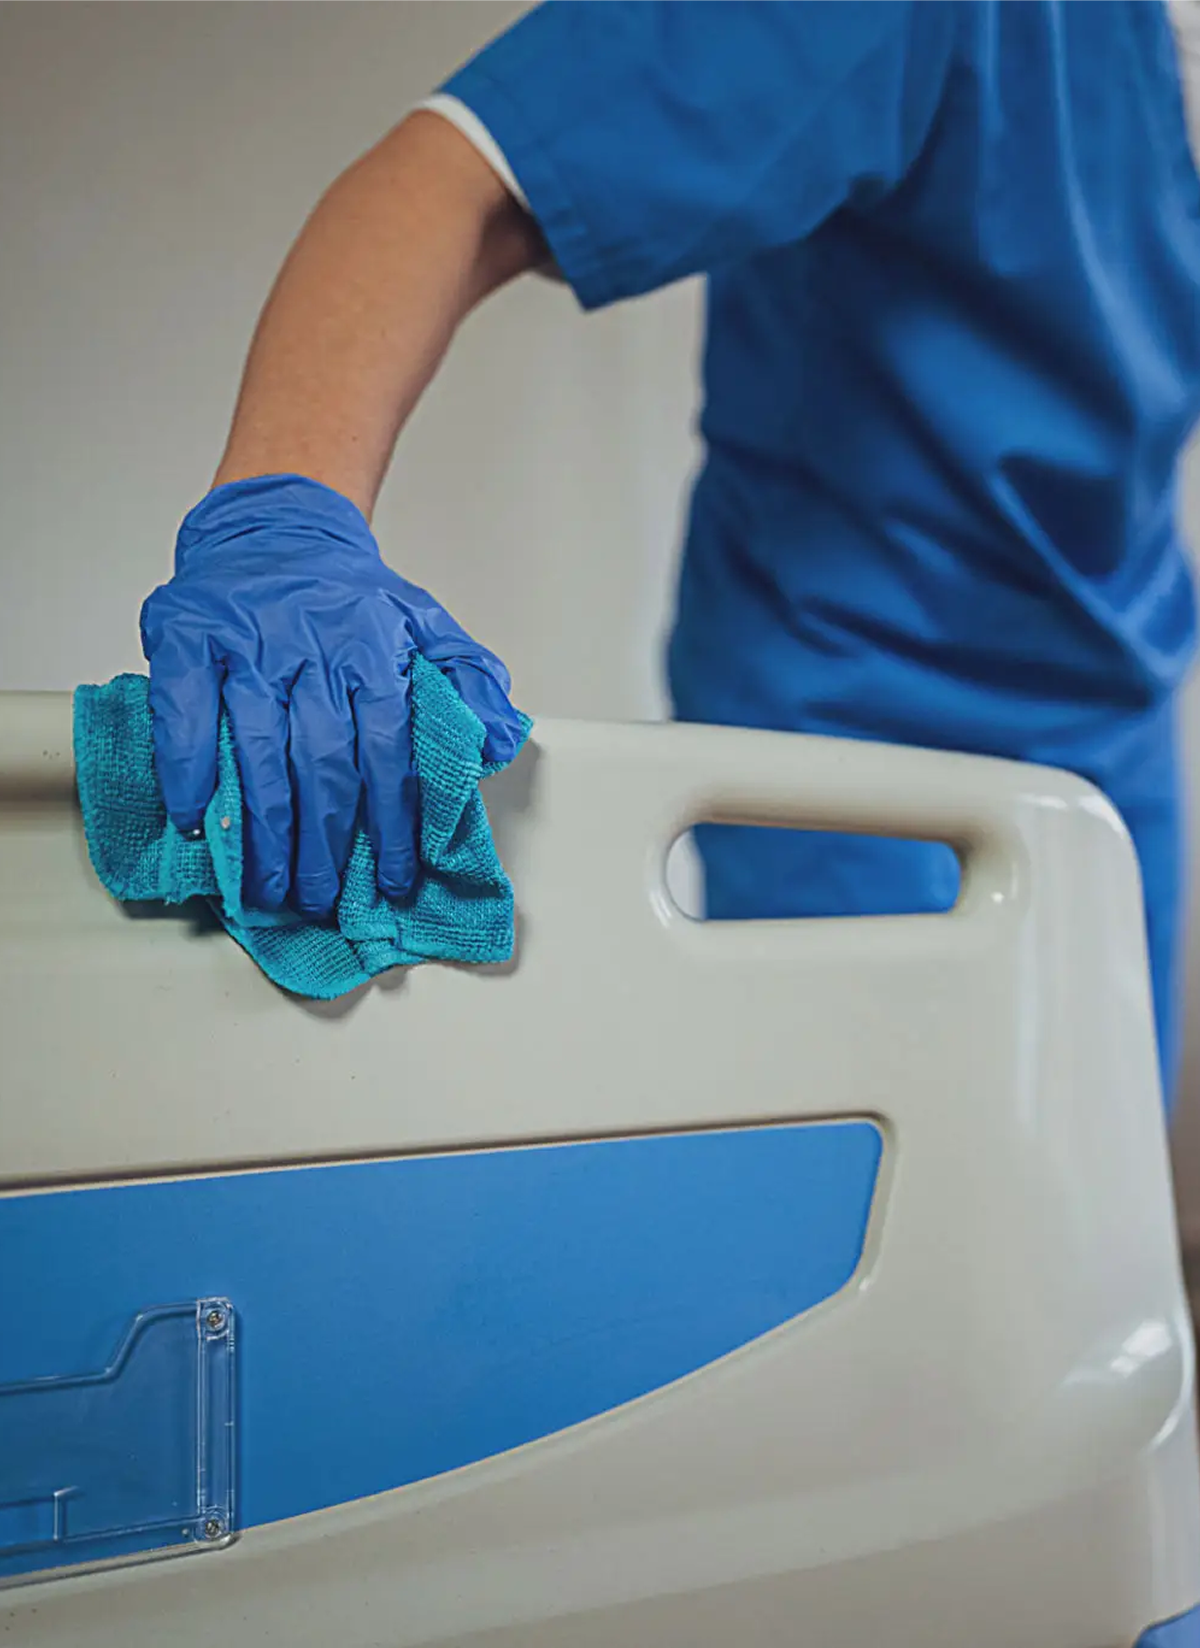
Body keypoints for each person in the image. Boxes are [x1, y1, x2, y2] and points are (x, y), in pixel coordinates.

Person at [140, 0, 1200, 1106]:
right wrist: (285, 516)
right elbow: (450, 177)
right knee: (911, 1195)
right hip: (866, 720)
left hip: (1119, 694)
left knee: (1091, 1202)